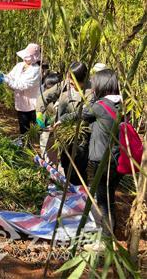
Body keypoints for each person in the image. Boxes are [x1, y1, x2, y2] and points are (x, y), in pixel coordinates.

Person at [59, 69, 122, 235]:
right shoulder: (121, 103)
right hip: (118, 158)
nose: (92, 87)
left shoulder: (101, 106)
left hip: (102, 159)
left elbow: (80, 114)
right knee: (109, 196)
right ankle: (110, 231)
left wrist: (60, 121)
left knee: (103, 201)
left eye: (95, 85)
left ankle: (106, 238)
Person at [0, 43, 41, 134]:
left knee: (38, 131)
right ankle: (25, 147)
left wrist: (3, 78)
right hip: (21, 104)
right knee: (24, 130)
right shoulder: (19, 66)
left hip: (35, 106)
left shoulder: (36, 70)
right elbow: (10, 77)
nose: (25, 59)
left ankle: (40, 147)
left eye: (28, 57)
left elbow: (21, 85)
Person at [35, 71, 62, 161]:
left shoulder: (62, 100)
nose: (49, 91)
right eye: (47, 88)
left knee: (56, 154)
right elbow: (41, 106)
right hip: (46, 129)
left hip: (58, 131)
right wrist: (40, 119)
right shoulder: (45, 98)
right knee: (45, 149)